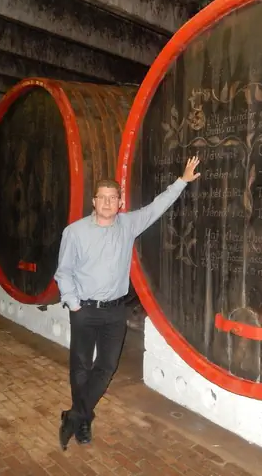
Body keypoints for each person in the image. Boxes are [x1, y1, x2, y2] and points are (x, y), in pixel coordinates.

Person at [54, 156, 201, 450]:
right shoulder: (75, 232)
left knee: (107, 366)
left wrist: (182, 181)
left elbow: (157, 207)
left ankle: (75, 415)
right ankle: (83, 421)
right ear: (94, 201)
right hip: (84, 309)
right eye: (102, 198)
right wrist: (73, 304)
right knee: (80, 367)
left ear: (120, 202)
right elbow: (64, 271)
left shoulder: (128, 224)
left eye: (113, 198)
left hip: (114, 311)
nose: (108, 203)